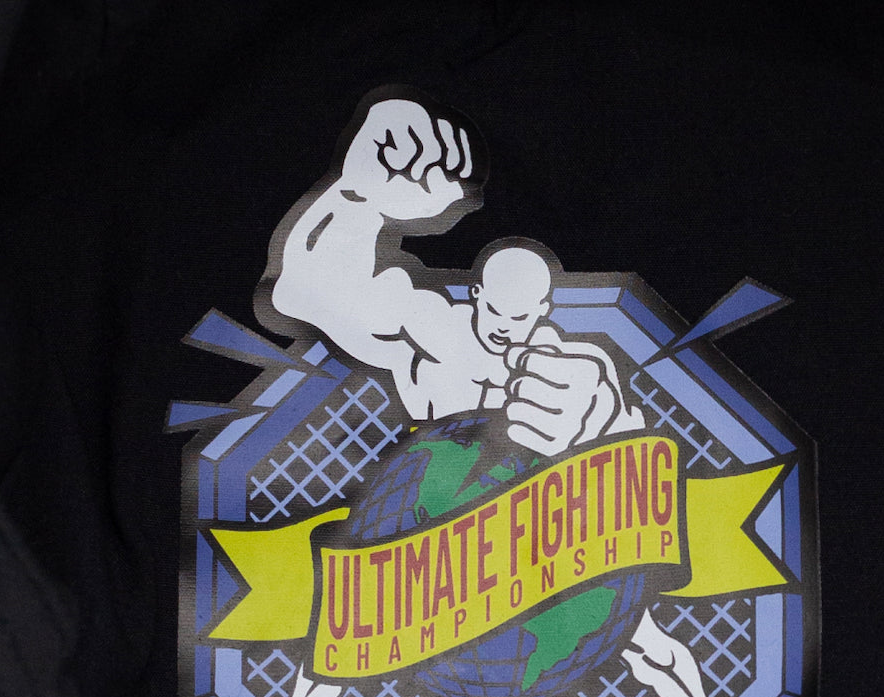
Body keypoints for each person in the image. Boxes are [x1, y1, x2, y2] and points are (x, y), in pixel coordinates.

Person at [256, 90, 643, 456]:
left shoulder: (566, 362)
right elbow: (305, 290)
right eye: (495, 310)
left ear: (543, 309)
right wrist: (358, 197)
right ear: (477, 295)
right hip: (427, 487)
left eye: (519, 316)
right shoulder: (434, 329)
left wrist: (603, 423)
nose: (504, 326)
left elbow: (623, 429)